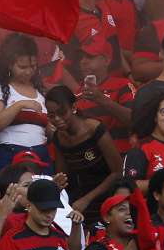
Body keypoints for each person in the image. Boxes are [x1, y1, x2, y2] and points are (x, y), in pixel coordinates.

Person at [46, 84, 122, 223]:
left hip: (108, 196)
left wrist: (87, 199)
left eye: (62, 113)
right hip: (81, 200)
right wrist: (56, 182)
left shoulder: (94, 129)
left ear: (74, 108)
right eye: (51, 115)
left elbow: (117, 173)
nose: (57, 119)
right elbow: (64, 176)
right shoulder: (58, 137)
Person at [0, 33, 49, 176]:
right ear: (9, 64)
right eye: (22, 67)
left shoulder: (40, 91)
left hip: (40, 154)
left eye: (33, 66)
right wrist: (19, 105)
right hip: (9, 153)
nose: (29, 71)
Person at [0, 177, 79, 250]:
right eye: (43, 210)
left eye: (53, 209)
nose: (49, 215)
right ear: (29, 206)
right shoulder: (12, 240)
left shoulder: (60, 238)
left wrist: (76, 225)